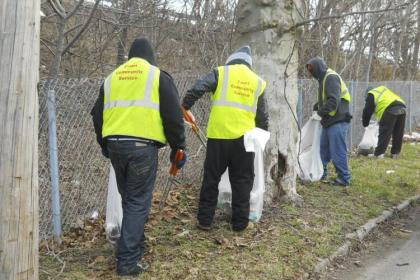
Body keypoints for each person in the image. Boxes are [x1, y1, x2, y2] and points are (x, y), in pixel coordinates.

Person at [91, 38, 186, 276]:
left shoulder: (112, 78)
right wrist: (178, 147)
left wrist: (104, 144)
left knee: (129, 200)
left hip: (116, 146)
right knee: (137, 202)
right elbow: (174, 116)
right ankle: (127, 262)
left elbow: (97, 115)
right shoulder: (157, 76)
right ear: (150, 56)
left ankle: (133, 246)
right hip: (142, 149)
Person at [182, 46, 269, 232]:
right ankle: (240, 223)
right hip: (245, 141)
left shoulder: (221, 72)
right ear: (249, 64)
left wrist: (186, 105)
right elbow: (262, 116)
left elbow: (198, 87)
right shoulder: (258, 82)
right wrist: (260, 136)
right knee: (242, 181)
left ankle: (204, 221)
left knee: (211, 179)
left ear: (232, 60)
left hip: (218, 137)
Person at [306, 57, 352, 186]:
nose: (311, 74)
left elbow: (333, 101)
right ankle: (321, 173)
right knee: (323, 150)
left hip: (338, 119)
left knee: (337, 150)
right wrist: (317, 107)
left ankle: (344, 178)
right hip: (330, 120)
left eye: (312, 70)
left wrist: (320, 113)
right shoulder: (323, 79)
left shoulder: (330, 77)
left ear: (318, 68)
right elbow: (327, 99)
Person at [362, 85, 406, 158]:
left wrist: (365, 123)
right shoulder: (382, 90)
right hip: (402, 107)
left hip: (390, 109)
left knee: (385, 132)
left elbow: (367, 110)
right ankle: (395, 153)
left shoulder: (371, 94)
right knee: (398, 132)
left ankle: (378, 154)